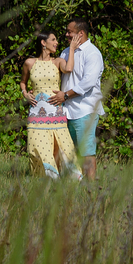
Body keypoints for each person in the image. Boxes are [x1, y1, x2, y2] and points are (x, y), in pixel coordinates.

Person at [20, 28, 86, 179]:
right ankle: (48, 178)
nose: (57, 43)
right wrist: (25, 94)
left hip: (56, 113)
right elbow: (23, 82)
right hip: (36, 114)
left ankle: (68, 178)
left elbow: (69, 69)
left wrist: (72, 49)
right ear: (43, 43)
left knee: (63, 148)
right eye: (53, 40)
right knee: (36, 147)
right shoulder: (30, 63)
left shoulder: (57, 62)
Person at [50, 18, 103, 182]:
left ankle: (90, 188)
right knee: (66, 151)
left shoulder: (93, 53)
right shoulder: (66, 52)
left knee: (86, 150)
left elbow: (88, 82)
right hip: (66, 110)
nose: (66, 34)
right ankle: (68, 184)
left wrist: (65, 95)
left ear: (80, 33)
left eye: (69, 32)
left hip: (85, 109)